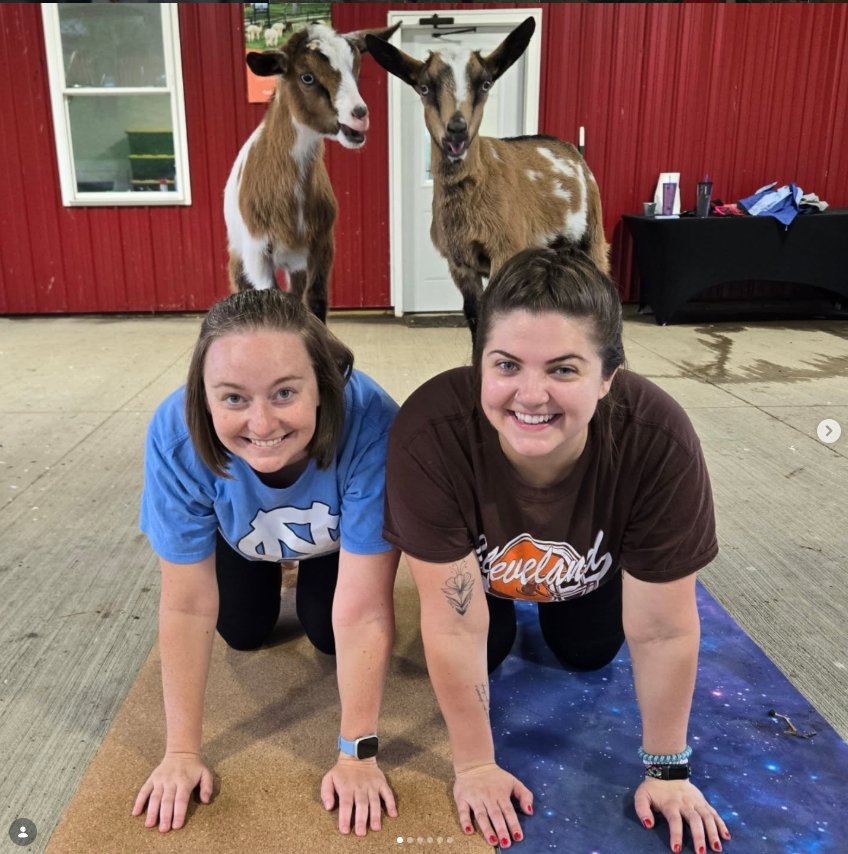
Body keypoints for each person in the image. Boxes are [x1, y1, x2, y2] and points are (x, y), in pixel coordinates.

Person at [383, 247, 731, 853]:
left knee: (589, 651)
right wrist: (474, 766)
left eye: (564, 370)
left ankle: (564, 611)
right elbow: (455, 628)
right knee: (483, 650)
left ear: (607, 378)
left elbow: (665, 631)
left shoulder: (658, 441)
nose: (531, 394)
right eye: (507, 365)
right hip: (482, 577)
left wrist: (668, 769)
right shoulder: (430, 435)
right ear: (479, 366)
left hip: (587, 575)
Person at [133, 288, 400, 837]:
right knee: (241, 630)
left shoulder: (372, 421)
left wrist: (358, 755)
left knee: (329, 630)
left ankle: (303, 576)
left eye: (284, 392)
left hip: (332, 542)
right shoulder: (175, 435)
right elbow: (186, 605)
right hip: (243, 540)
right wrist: (180, 751)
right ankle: (274, 572)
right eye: (232, 398)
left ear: (323, 388)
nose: (261, 422)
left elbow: (366, 613)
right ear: (202, 398)